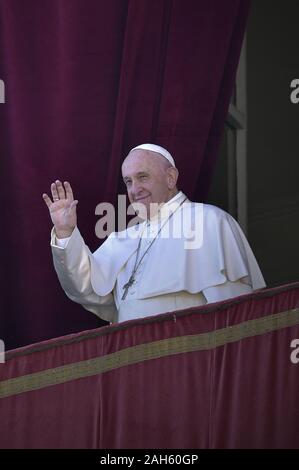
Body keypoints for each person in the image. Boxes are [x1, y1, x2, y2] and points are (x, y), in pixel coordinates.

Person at [43, 143, 266, 323]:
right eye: (128, 181)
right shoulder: (124, 238)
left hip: (188, 361)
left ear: (171, 178)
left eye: (143, 177)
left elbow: (236, 315)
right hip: (131, 363)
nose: (134, 189)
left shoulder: (209, 221)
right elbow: (86, 290)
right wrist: (65, 232)